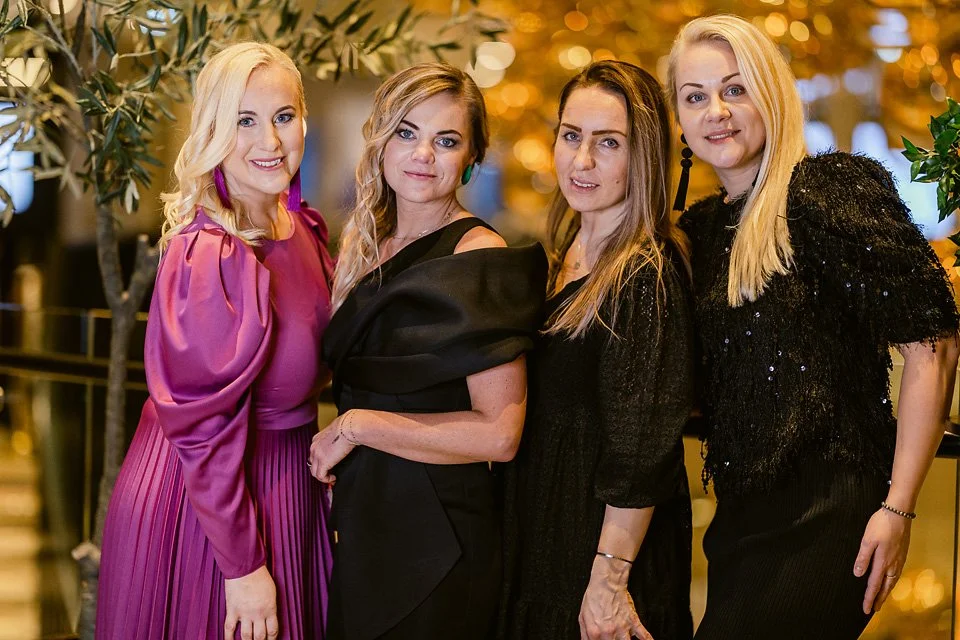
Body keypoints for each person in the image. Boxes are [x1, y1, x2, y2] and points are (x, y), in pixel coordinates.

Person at [667, 15, 960, 639]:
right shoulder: (700, 231)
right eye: (695, 97)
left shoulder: (830, 191)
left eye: (735, 88)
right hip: (740, 519)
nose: (715, 111)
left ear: (771, 93)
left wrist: (899, 506)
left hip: (833, 514)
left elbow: (931, 344)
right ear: (680, 119)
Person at [97, 42, 335, 640]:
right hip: (208, 511)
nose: (271, 142)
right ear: (212, 133)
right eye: (244, 122)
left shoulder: (302, 227)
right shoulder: (211, 253)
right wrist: (243, 565)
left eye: (283, 116)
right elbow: (203, 432)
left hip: (287, 489)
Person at [308, 62, 547, 640]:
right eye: (407, 133)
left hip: (439, 540)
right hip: (368, 519)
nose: (422, 155)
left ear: (470, 157)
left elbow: (499, 435)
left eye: (446, 141)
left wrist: (359, 427)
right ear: (383, 140)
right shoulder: (367, 241)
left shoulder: (478, 256)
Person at [500, 60, 695, 640]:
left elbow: (643, 450)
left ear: (644, 157)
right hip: (547, 524)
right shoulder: (565, 251)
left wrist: (608, 583)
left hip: (602, 551)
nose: (581, 161)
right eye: (571, 136)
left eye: (608, 143)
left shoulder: (646, 273)